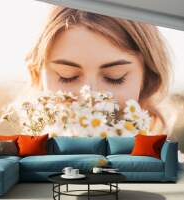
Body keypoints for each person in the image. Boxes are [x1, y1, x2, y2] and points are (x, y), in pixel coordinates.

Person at [26, 6, 172, 133]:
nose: (90, 99)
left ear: (146, 79)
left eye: (115, 78)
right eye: (67, 76)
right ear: (37, 75)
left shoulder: (172, 163)